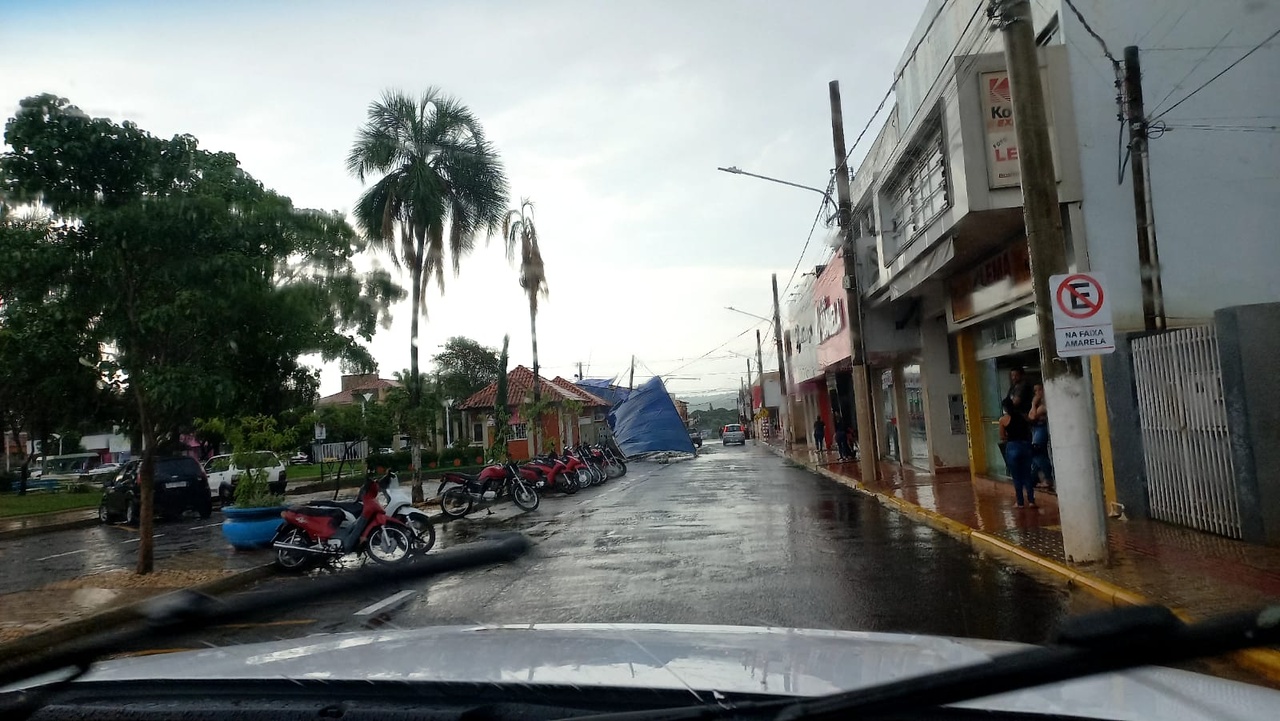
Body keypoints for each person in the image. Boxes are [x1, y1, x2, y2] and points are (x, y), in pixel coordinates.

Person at [1001, 394, 1035, 508]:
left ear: (1005, 408)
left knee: (1016, 476)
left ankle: (1020, 502)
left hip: (1012, 447)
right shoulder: (1023, 417)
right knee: (1027, 475)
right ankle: (1031, 501)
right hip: (1025, 446)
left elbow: (1002, 436)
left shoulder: (1003, 420)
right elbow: (1029, 428)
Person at [1029, 383, 1055, 491]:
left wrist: (1033, 404)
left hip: (1041, 429)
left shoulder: (1044, 405)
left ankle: (1048, 478)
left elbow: (1033, 415)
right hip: (1036, 428)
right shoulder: (1040, 404)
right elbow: (1030, 415)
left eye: (1040, 390)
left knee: (1036, 452)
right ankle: (1034, 478)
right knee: (1038, 454)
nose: (1038, 393)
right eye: (1036, 391)